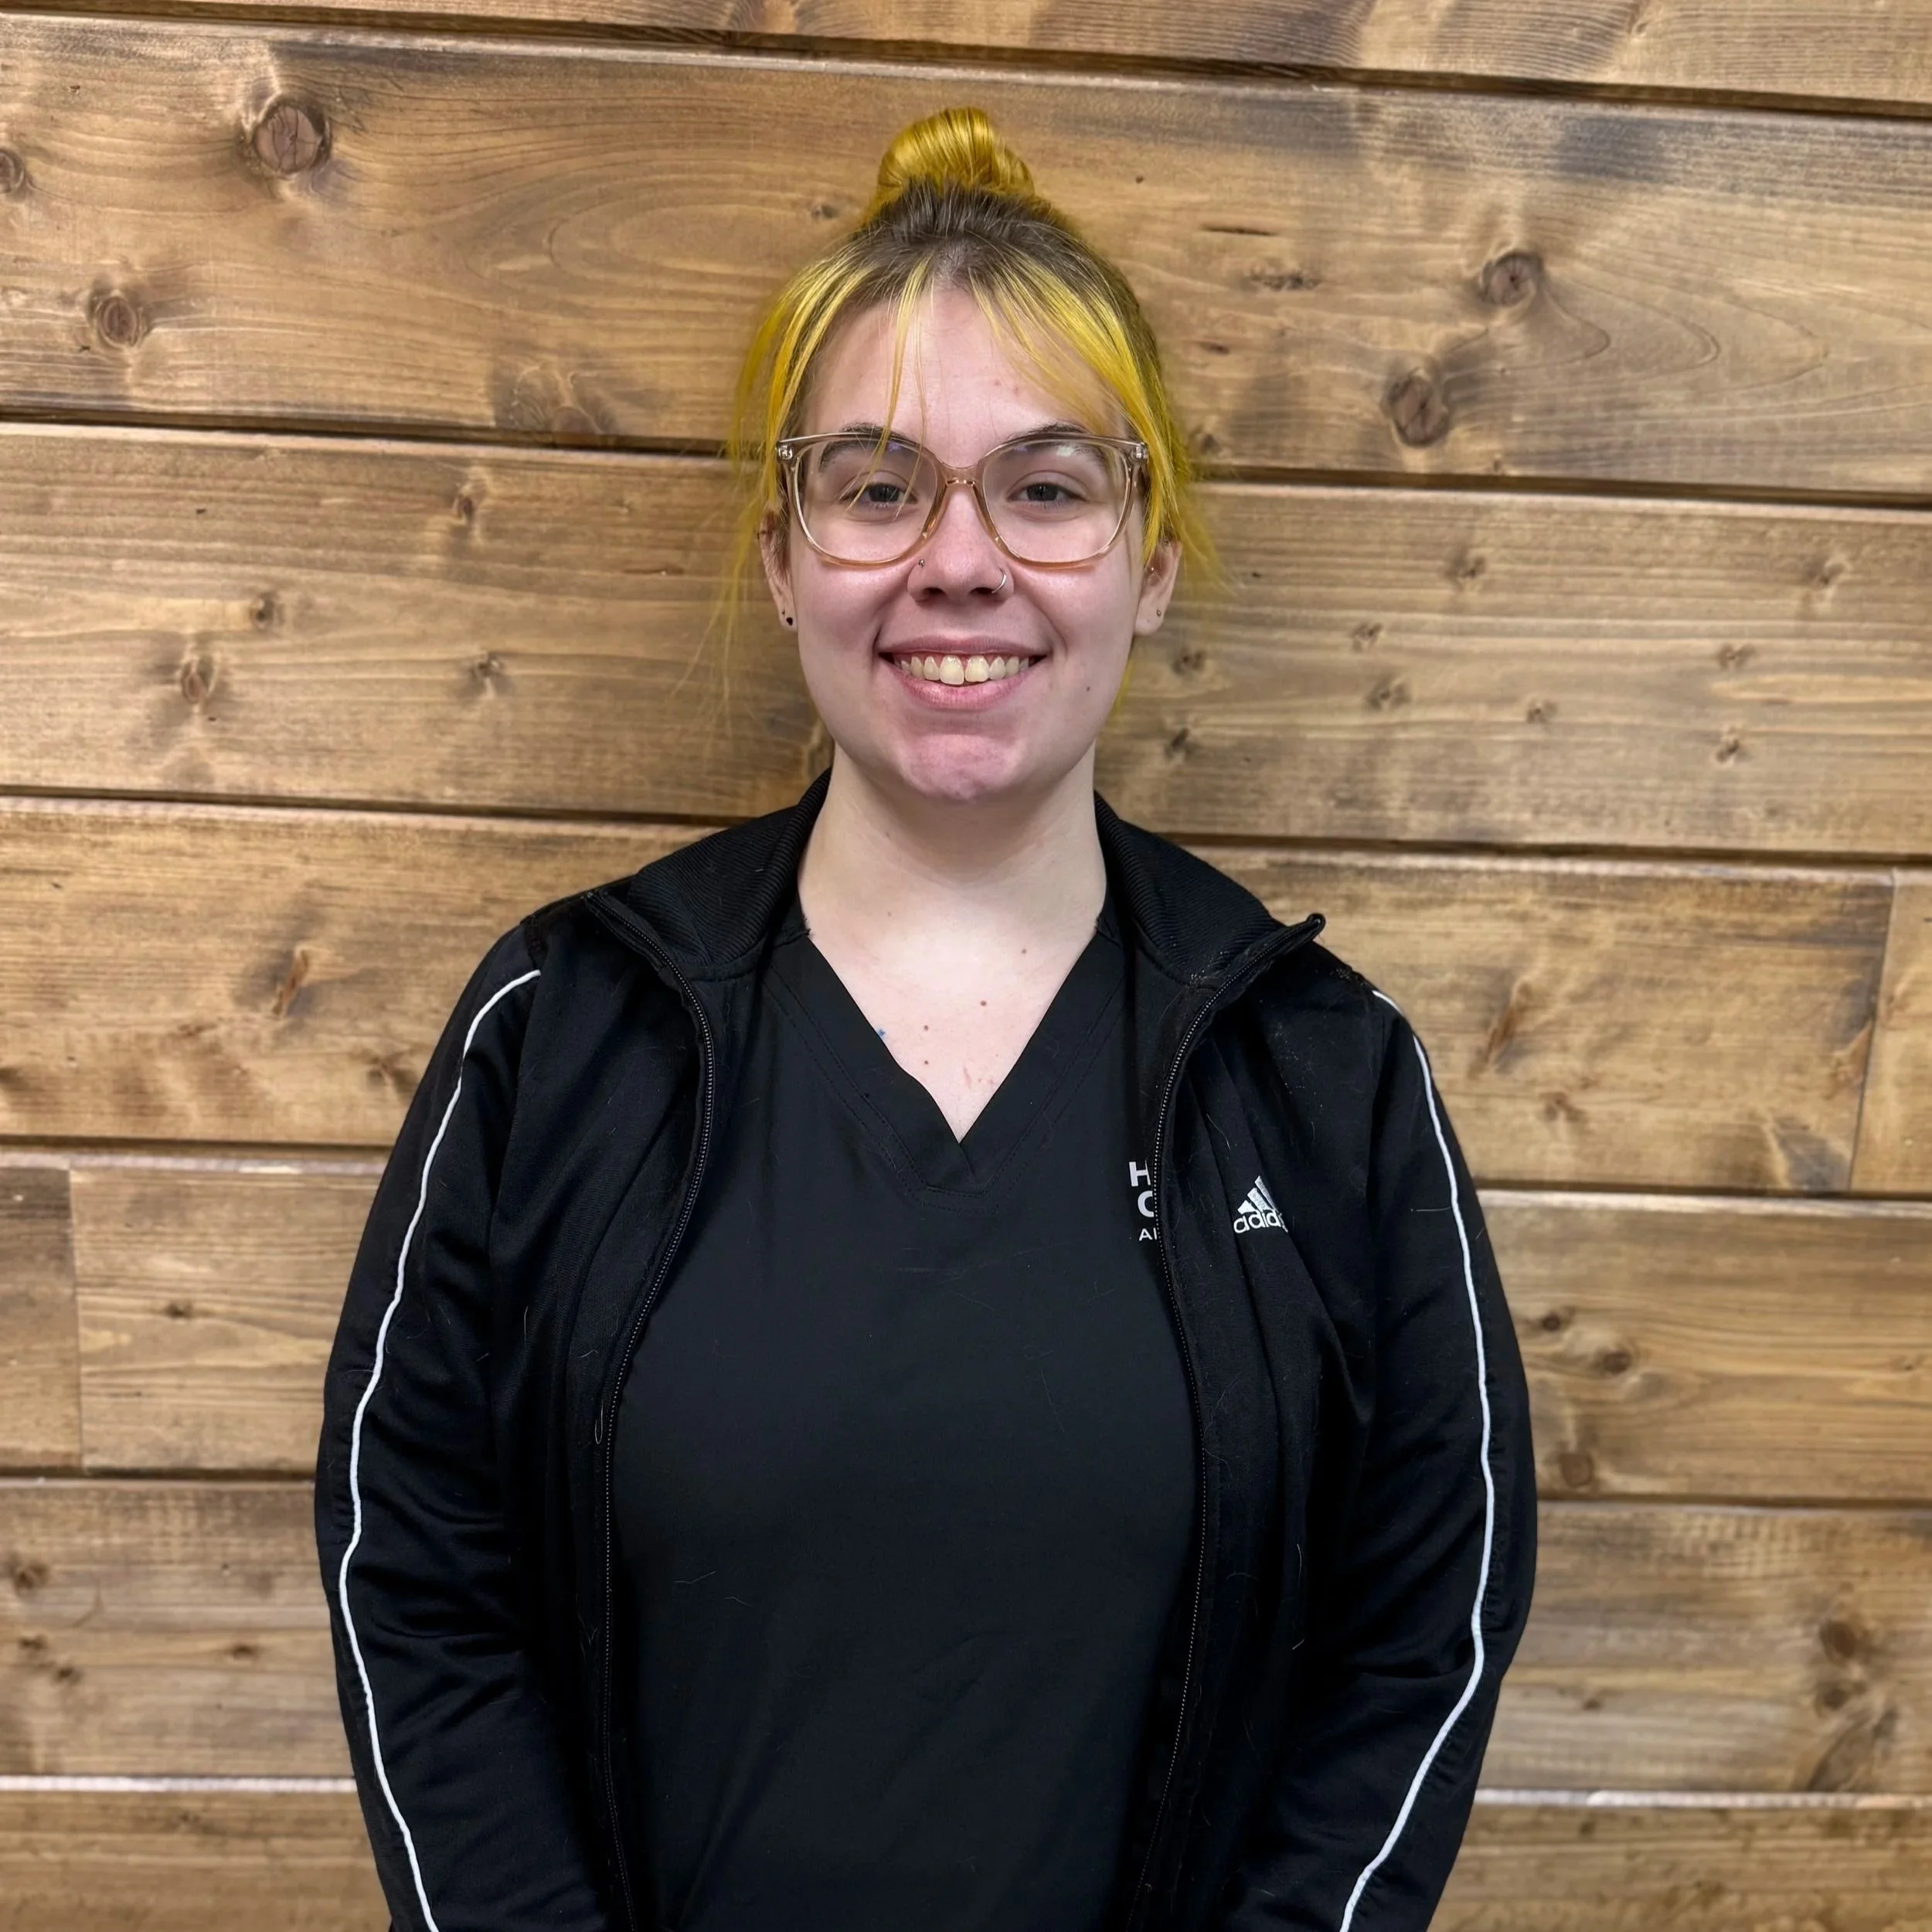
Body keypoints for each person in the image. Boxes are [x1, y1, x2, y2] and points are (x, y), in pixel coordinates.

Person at [316, 107, 1536, 1932]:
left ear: (1152, 557)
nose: (957, 560)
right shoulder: (560, 1032)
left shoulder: (1322, 1073)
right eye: (877, 483)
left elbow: (1423, 1616)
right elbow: (411, 1568)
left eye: (1044, 487)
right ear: (781, 554)